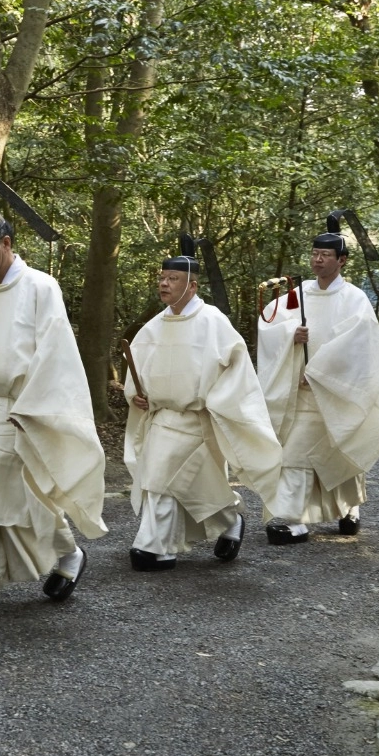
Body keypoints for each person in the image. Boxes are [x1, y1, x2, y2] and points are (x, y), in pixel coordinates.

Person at [0, 189, 107, 621]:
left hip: (19, 410)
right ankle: (66, 555)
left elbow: (56, 353)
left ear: (7, 243)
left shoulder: (40, 287)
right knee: (10, 498)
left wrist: (33, 406)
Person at [120, 238, 281, 570]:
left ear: (192, 285)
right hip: (161, 417)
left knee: (164, 478)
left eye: (173, 278)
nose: (164, 283)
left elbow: (238, 370)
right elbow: (137, 371)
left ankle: (155, 545)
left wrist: (219, 401)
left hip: (198, 419)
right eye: (162, 277)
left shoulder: (213, 321)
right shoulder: (154, 326)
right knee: (168, 480)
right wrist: (136, 395)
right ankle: (228, 519)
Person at [256, 212, 379, 543]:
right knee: (296, 451)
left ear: (342, 260)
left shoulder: (355, 299)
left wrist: (318, 372)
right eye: (315, 254)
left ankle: (348, 508)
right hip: (300, 392)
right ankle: (289, 518)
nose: (317, 260)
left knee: (339, 447)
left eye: (325, 255)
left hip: (334, 390)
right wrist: (290, 334)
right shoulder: (298, 293)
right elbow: (268, 321)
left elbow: (358, 345)